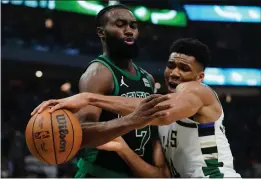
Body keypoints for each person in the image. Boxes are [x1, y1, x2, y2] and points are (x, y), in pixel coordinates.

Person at [32, 38, 242, 178]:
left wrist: (89, 98)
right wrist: (122, 149)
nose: (175, 73)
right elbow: (160, 175)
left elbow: (161, 111)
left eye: (184, 68)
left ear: (200, 77)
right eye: (171, 65)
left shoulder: (198, 91)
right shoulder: (162, 122)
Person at [32, 4, 170, 178]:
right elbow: (81, 134)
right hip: (99, 173)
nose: (129, 30)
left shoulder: (147, 78)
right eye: (120, 24)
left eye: (133, 26)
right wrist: (130, 121)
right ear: (101, 32)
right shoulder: (98, 74)